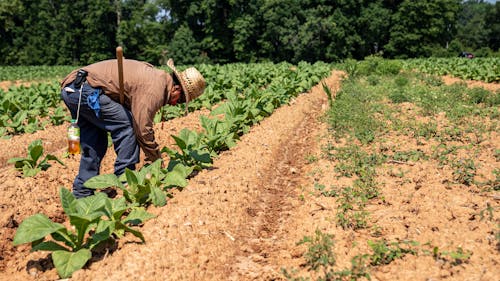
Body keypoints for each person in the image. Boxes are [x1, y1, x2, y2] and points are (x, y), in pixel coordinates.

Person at [60, 58, 206, 198]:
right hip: (84, 90)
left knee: (95, 141)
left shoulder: (158, 78)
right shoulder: (155, 89)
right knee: (128, 126)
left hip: (74, 88)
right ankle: (124, 182)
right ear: (176, 88)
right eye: (180, 100)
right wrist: (156, 160)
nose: (175, 104)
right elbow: (142, 129)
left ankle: (82, 193)